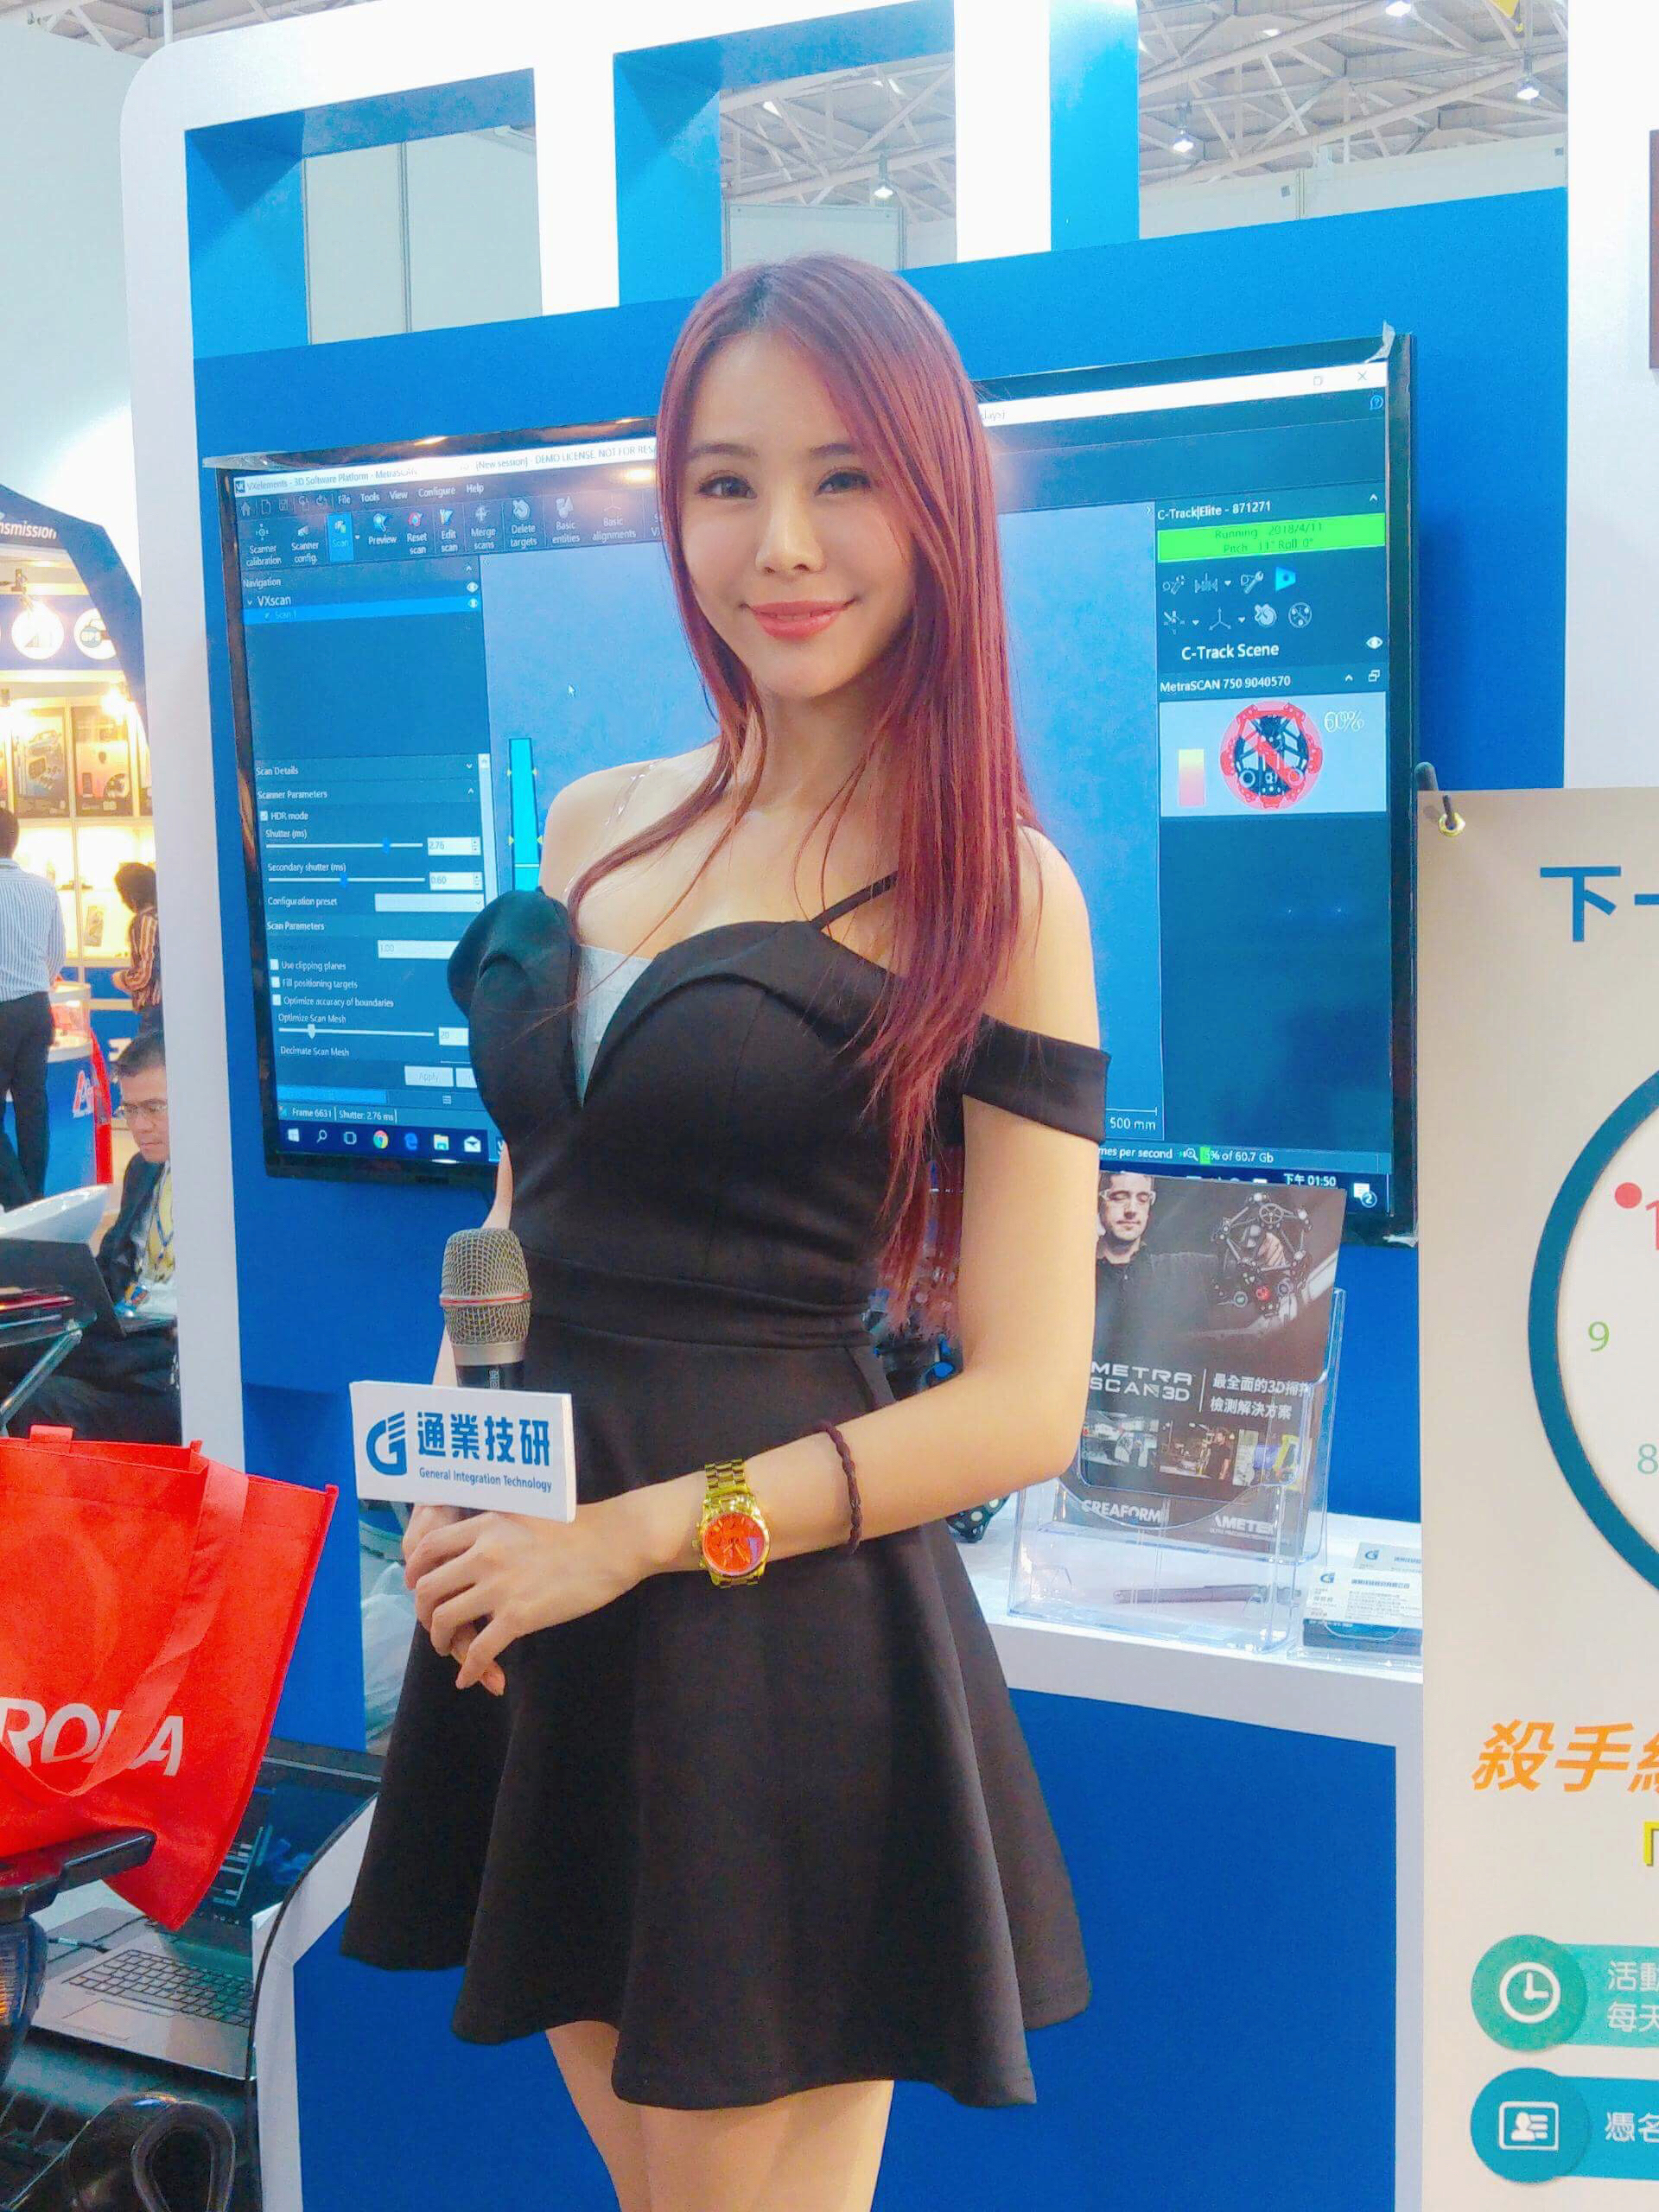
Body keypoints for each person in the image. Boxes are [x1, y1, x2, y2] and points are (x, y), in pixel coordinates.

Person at [339, 252, 1107, 2212]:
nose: (782, 545)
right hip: (535, 1602)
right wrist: (448, 1466)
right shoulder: (594, 822)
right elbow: (517, 1216)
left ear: (934, 504)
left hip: (763, 1623)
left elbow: (1024, 1403)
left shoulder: (997, 893)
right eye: (724, 482)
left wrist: (638, 1537)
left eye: (845, 478)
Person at [0, 1028, 178, 1443]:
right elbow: (110, 1265)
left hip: (166, 1357)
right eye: (130, 1110)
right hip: (123, 1332)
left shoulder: (228, 1192)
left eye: (154, 1108)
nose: (140, 1126)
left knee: (37, 1398)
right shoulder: (144, 1170)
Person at [0, 805, 65, 1204]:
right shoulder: (43, 888)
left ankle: (19, 1202)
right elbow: (56, 956)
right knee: (32, 1108)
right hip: (36, 1009)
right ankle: (35, 1199)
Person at [113, 861, 162, 1034]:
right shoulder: (160, 915)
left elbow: (145, 973)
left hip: (153, 1009)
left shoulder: (144, 921)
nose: (122, 900)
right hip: (164, 1006)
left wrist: (121, 979)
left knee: (144, 1050)